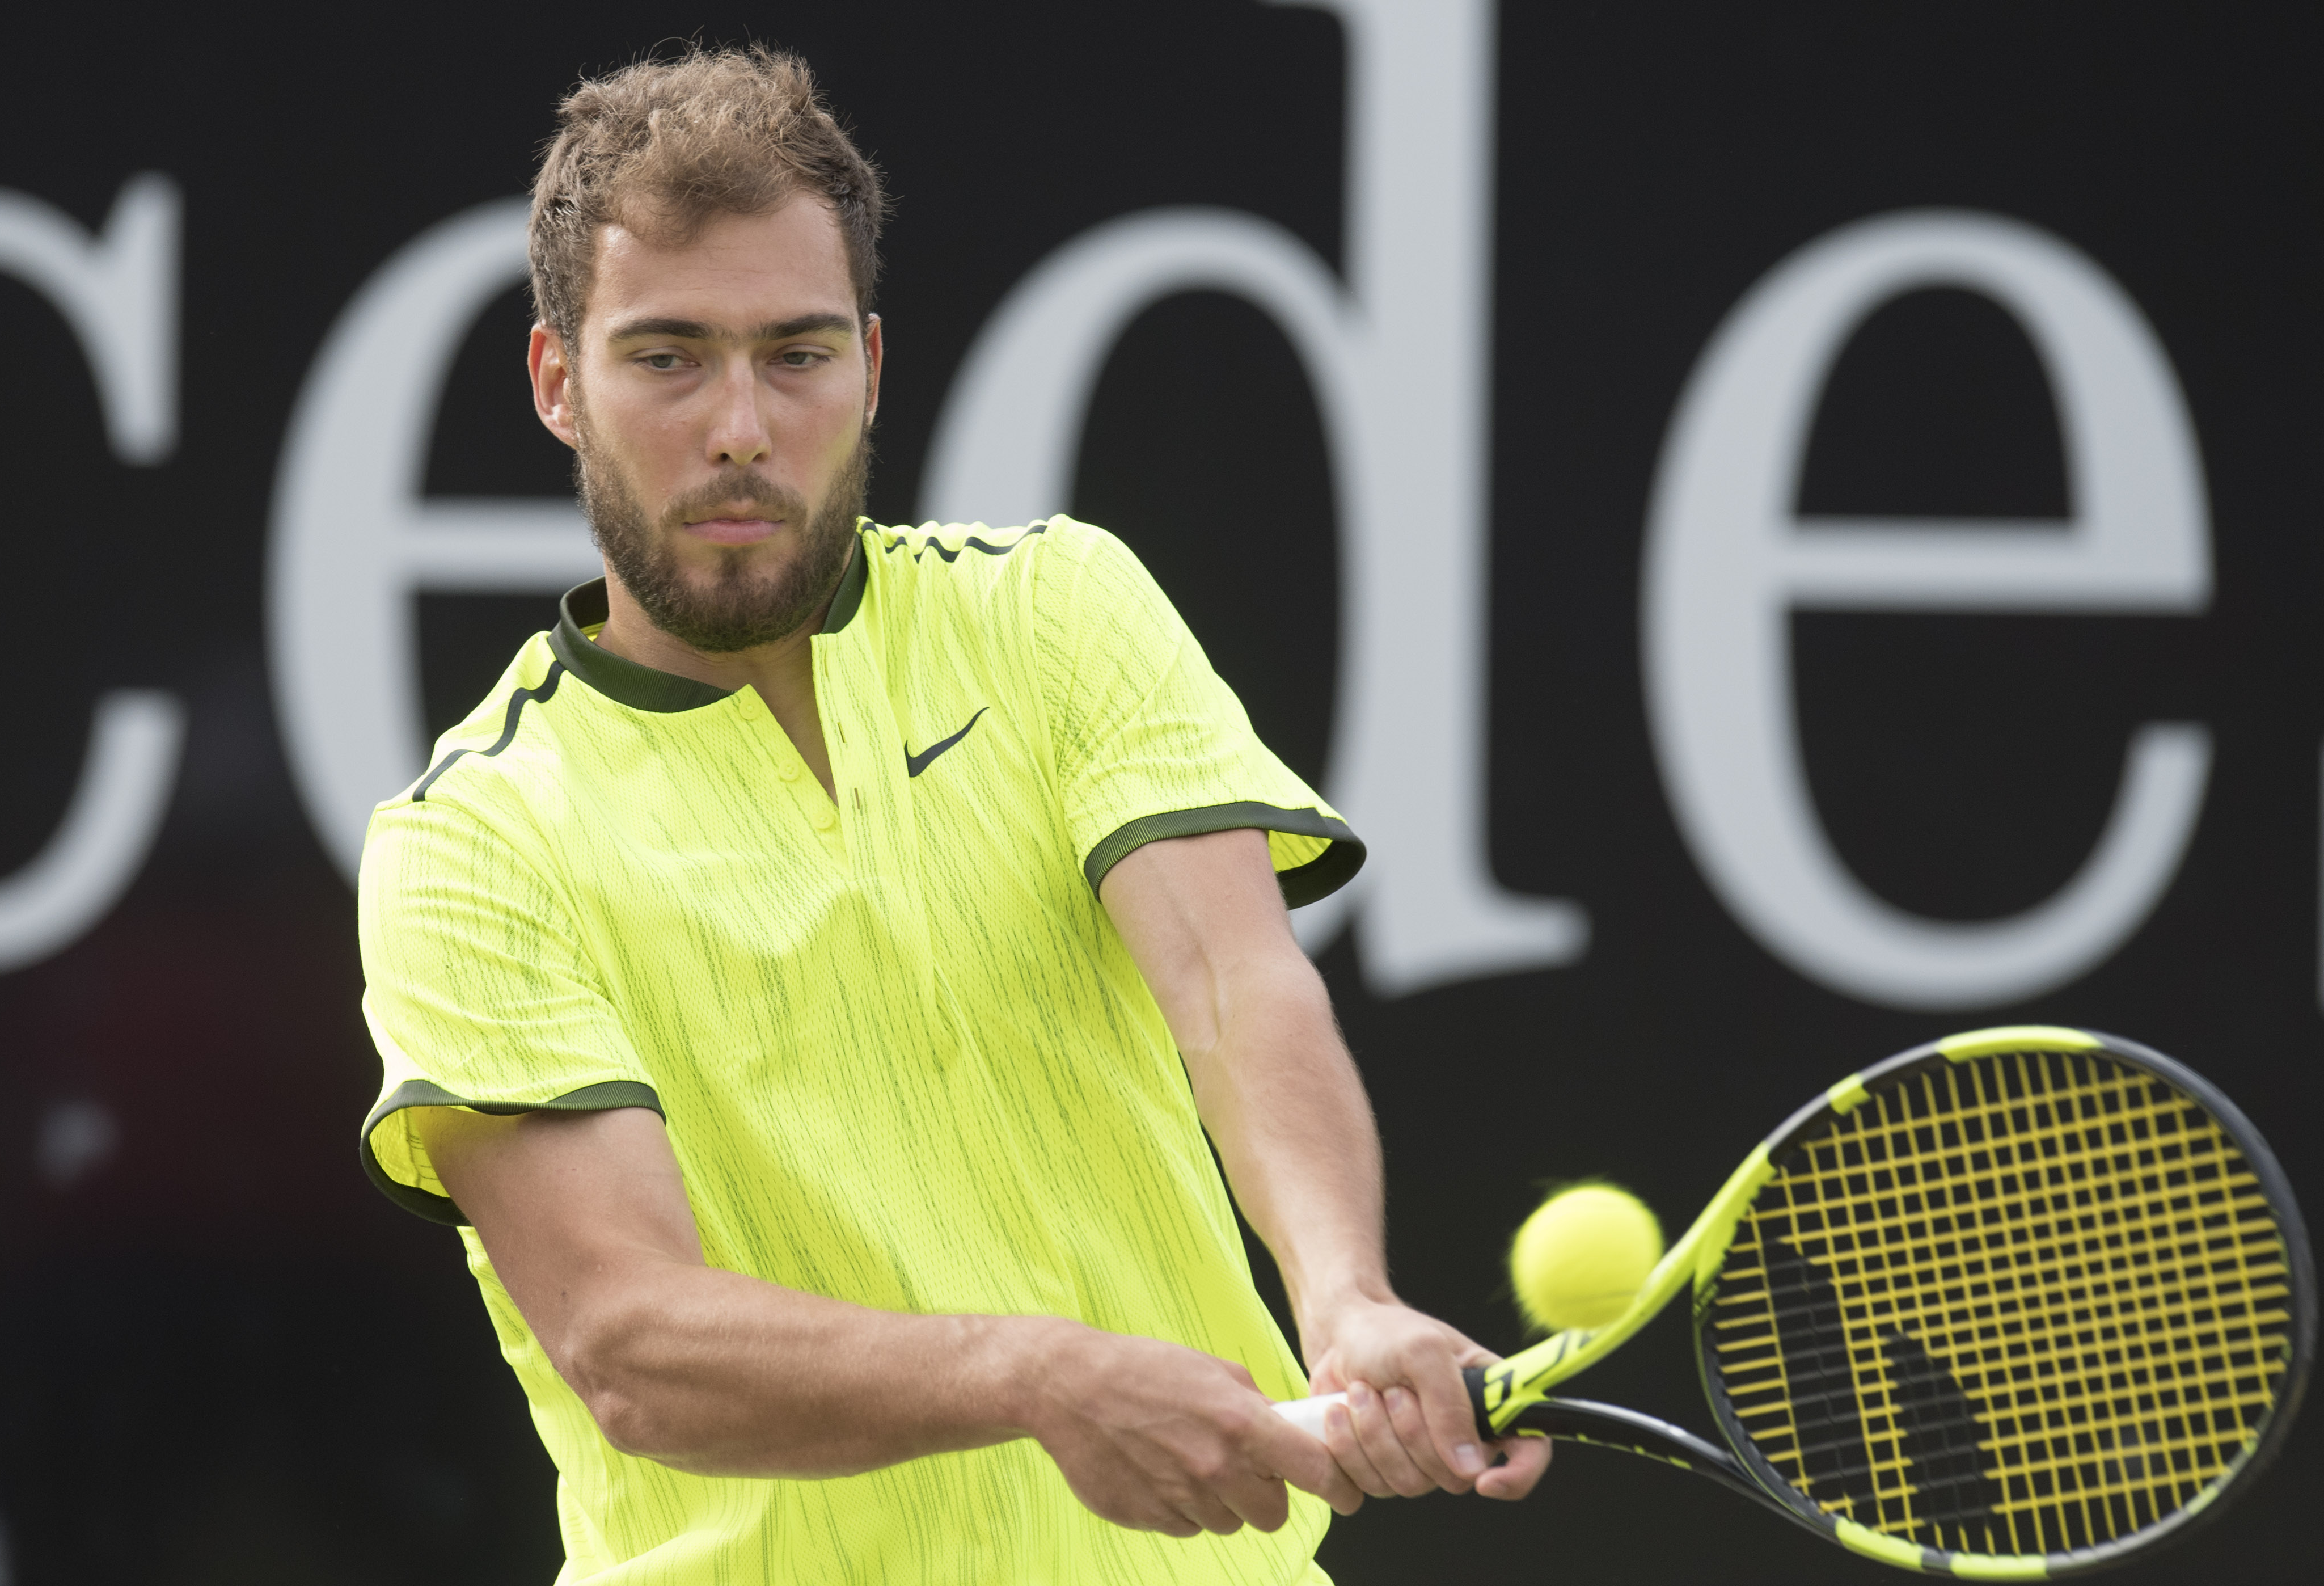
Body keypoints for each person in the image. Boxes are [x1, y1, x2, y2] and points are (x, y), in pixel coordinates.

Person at [355, 45, 1549, 1584]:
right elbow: (630, 1339)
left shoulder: (1061, 608)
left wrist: (1344, 1293)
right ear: (557, 383)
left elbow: (1231, 982)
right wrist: (1033, 1375)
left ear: (868, 364)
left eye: (794, 355)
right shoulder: (470, 837)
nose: (739, 426)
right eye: (668, 358)